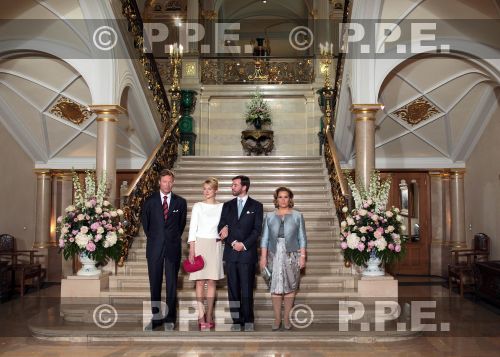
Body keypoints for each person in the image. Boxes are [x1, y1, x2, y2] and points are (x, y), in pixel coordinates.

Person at [141, 169, 187, 331]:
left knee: (172, 284)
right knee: (154, 284)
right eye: (164, 181)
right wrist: (157, 238)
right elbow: (146, 225)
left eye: (170, 181)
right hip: (154, 248)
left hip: (172, 249)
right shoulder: (149, 201)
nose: (167, 184)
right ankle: (156, 318)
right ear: (159, 182)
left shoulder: (180, 202)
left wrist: (170, 239)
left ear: (173, 183)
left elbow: (180, 226)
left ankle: (170, 318)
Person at [218, 175, 263, 332]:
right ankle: (236, 320)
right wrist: (232, 243)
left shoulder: (257, 206)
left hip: (247, 254)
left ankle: (248, 320)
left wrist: (243, 245)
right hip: (231, 253)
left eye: (235, 185)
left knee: (247, 287)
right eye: (232, 185)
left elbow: (257, 229)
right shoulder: (227, 205)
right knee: (233, 289)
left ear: (244, 187)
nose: (233, 187)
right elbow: (222, 227)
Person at [259, 186, 307, 331]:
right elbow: (264, 238)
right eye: (280, 197)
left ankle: (286, 318)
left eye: (286, 197)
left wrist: (303, 256)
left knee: (290, 286)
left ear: (290, 199)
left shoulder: (298, 215)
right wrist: (263, 257)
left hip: (292, 254)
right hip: (274, 254)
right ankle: (277, 319)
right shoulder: (269, 216)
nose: (283, 200)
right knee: (275, 287)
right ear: (276, 199)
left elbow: (302, 238)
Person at [187, 177, 224, 331]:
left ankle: (209, 315)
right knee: (200, 282)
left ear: (216, 190)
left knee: (212, 281)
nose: (206, 192)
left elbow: (226, 225)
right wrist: (192, 248)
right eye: (204, 189)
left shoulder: (223, 207)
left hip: (215, 245)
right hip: (200, 244)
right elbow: (192, 228)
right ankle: (200, 315)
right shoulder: (198, 206)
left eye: (209, 189)